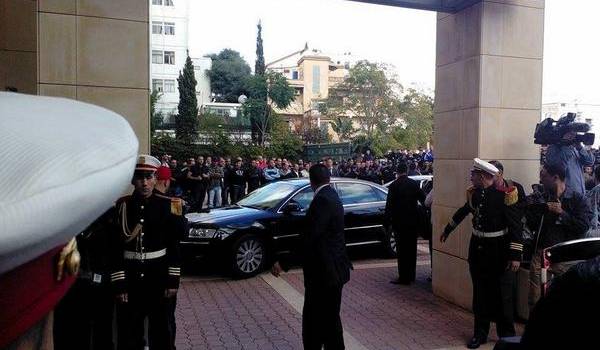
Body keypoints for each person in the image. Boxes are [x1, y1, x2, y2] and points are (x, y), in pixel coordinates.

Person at [440, 158, 523, 349]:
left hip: (499, 251)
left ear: (484, 176)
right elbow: (463, 211)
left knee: (503, 296)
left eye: (473, 174)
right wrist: (448, 229)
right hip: (478, 250)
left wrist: (515, 256)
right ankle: (480, 334)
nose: (470, 177)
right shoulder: (475, 194)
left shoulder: (505, 195)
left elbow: (515, 226)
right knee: (480, 294)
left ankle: (507, 335)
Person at [271, 164, 351, 350]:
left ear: (311, 181)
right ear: (328, 178)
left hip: (325, 273)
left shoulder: (322, 200)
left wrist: (284, 263)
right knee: (330, 321)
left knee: (315, 321)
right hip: (333, 270)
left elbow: (310, 237)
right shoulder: (331, 195)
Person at [110, 155, 184, 350]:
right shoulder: (122, 206)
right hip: (131, 278)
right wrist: (119, 283)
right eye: (140, 177)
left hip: (158, 277)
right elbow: (116, 247)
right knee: (129, 334)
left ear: (155, 178)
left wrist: (172, 279)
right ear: (133, 180)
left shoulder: (169, 205)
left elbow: (174, 245)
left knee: (161, 331)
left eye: (149, 177)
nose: (144, 182)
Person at [526, 163, 592, 311]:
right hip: (541, 254)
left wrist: (562, 214)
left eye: (544, 176)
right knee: (535, 299)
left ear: (555, 177)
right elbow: (530, 221)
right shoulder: (541, 197)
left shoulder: (577, 199)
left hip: (567, 255)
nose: (541, 180)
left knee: (569, 297)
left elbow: (583, 226)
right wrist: (540, 209)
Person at [54, 211, 115, 350]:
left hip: (103, 285)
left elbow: (115, 251)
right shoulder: (69, 218)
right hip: (75, 285)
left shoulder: (109, 216)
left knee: (103, 331)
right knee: (78, 332)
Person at [385, 161, 426, 284]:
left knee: (401, 251)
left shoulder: (393, 186)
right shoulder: (414, 184)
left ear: (397, 172)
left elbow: (389, 207)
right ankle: (411, 275)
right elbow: (423, 199)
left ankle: (403, 276)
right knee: (411, 249)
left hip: (399, 224)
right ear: (407, 171)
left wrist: (386, 223)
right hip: (412, 222)